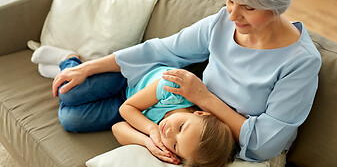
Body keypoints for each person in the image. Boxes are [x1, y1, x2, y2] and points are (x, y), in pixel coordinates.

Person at [51, 0, 322, 162]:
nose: (232, 16)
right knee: (73, 90)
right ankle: (71, 60)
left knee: (72, 117)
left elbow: (264, 143)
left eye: (248, 8)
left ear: (277, 5)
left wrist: (203, 98)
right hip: (161, 95)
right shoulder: (220, 24)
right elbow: (163, 49)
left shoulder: (300, 63)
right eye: (229, 0)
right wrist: (90, 66)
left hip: (182, 120)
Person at [43, 51, 235, 166]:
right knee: (67, 93)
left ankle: (65, 75)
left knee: (70, 120)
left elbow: (117, 128)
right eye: (181, 127)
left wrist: (148, 143)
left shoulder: (165, 140)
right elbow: (127, 110)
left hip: (126, 103)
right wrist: (151, 129)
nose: (168, 132)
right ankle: (69, 59)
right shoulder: (176, 91)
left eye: (175, 145)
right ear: (200, 112)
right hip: (128, 78)